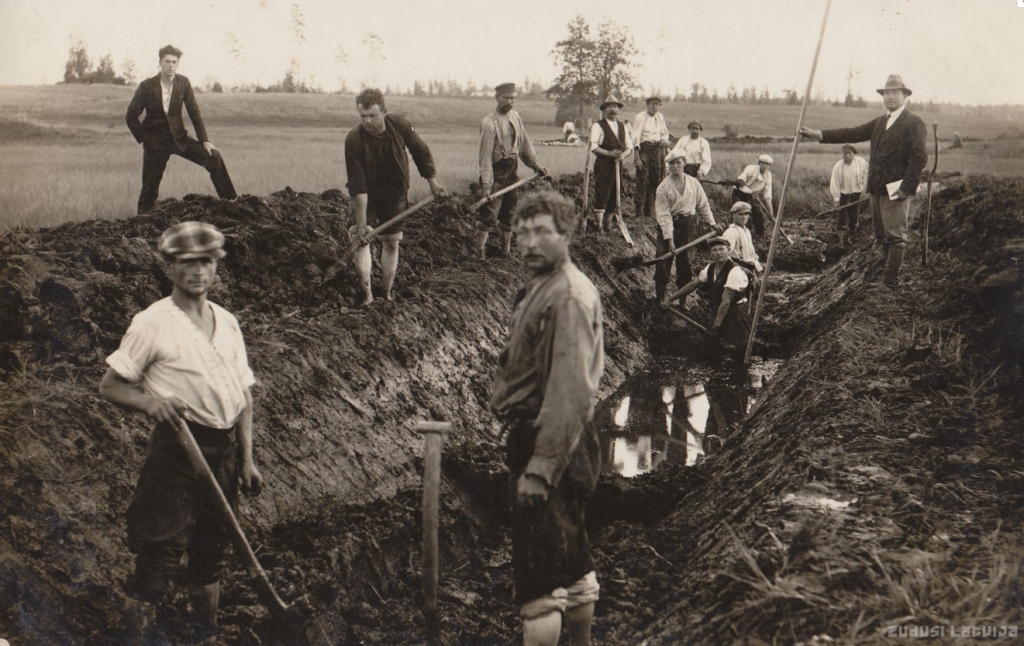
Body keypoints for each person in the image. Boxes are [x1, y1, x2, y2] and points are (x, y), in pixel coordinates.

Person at [99, 222, 262, 641]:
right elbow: (111, 385)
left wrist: (245, 458)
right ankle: (137, 635)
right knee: (161, 550)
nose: (198, 272)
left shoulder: (226, 322)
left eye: (206, 262)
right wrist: (151, 402)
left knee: (213, 549)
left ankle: (204, 633)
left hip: (223, 450)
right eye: (186, 263)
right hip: (177, 449)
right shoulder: (153, 322)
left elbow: (242, 393)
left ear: (216, 267)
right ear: (169, 267)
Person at [490, 190, 604, 646]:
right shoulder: (546, 285)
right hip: (556, 438)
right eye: (523, 232)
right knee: (572, 556)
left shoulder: (568, 297)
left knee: (538, 580)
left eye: (543, 232)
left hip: (550, 439)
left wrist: (540, 468)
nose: (530, 242)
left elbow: (569, 391)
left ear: (566, 235)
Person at [800, 74, 927, 287]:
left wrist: (907, 188)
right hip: (876, 189)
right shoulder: (880, 123)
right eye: (886, 93)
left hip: (897, 190)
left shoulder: (914, 123)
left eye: (895, 93)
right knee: (882, 236)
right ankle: (888, 279)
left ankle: (890, 282)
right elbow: (853, 132)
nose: (890, 97)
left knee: (895, 236)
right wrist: (819, 134)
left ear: (905, 96)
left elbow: (919, 158)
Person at [344, 88, 448, 304]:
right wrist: (362, 225)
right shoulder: (353, 139)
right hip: (368, 195)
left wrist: (433, 183)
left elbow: (420, 150)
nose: (367, 121)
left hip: (395, 192)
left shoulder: (399, 124)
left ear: (384, 112)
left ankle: (386, 293)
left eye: (373, 115)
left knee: (391, 242)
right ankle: (367, 295)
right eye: (362, 116)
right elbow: (358, 185)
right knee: (359, 238)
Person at [126, 45, 237, 215]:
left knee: (214, 157)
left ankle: (233, 205)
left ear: (177, 64)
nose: (170, 65)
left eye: (174, 62)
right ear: (160, 63)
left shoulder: (183, 83)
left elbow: (194, 112)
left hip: (179, 139)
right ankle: (140, 225)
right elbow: (131, 116)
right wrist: (145, 140)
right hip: (155, 143)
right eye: (167, 62)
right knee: (150, 189)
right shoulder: (146, 86)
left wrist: (204, 140)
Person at [475, 83, 547, 259]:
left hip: (512, 169)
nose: (510, 101)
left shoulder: (515, 117)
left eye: (513, 98)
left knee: (510, 211)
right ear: (497, 98)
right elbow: (484, 157)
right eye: (506, 98)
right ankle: (479, 254)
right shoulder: (488, 124)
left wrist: (534, 164)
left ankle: (505, 251)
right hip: (495, 171)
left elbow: (524, 143)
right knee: (489, 214)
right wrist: (486, 185)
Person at [666, 236, 753, 361]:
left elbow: (727, 300)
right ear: (710, 252)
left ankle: (740, 374)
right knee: (710, 347)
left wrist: (717, 323)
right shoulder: (710, 268)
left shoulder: (735, 271)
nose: (718, 253)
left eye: (721, 249)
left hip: (736, 312)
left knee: (739, 348)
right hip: (719, 309)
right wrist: (671, 299)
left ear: (728, 250)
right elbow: (692, 286)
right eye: (715, 250)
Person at [654, 149, 722, 302]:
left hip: (688, 225)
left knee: (685, 264)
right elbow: (663, 216)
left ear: (684, 163)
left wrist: (712, 223)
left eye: (678, 162)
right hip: (668, 226)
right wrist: (670, 241)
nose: (676, 166)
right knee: (663, 264)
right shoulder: (663, 188)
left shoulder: (694, 183)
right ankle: (660, 301)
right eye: (672, 163)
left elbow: (703, 205)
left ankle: (682, 303)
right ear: (668, 166)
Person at [588, 96, 634, 233]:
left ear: (618, 109)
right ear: (604, 109)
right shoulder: (598, 126)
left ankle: (608, 226)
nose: (613, 109)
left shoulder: (622, 126)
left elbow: (629, 147)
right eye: (609, 106)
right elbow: (593, 146)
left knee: (615, 193)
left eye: (615, 107)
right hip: (604, 163)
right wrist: (609, 154)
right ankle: (599, 226)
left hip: (617, 163)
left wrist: (621, 156)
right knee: (602, 191)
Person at [630, 97, 671, 218]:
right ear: (647, 105)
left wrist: (664, 140)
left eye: (658, 105)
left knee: (656, 178)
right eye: (653, 104)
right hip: (645, 149)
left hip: (658, 150)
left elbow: (664, 133)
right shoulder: (640, 117)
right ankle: (639, 210)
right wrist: (637, 158)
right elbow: (635, 138)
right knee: (643, 178)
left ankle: (650, 208)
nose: (656, 107)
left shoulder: (660, 117)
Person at [828, 144, 869, 247]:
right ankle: (841, 241)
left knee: (854, 217)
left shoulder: (861, 162)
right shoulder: (838, 166)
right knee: (842, 217)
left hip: (856, 194)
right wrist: (836, 199)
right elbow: (834, 182)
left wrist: (867, 190)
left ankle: (852, 237)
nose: (847, 156)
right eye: (845, 154)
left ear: (853, 154)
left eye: (849, 153)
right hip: (843, 195)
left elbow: (868, 175)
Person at [733, 154, 774, 237]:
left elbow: (767, 193)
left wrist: (770, 211)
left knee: (758, 213)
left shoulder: (768, 175)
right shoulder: (751, 169)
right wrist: (750, 191)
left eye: (767, 164)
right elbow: (740, 181)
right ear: (759, 163)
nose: (765, 166)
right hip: (740, 192)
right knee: (743, 213)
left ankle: (760, 235)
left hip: (753, 195)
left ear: (769, 166)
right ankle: (744, 235)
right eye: (763, 163)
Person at [721, 202, 763, 272]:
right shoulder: (731, 232)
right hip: (739, 268)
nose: (744, 217)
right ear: (733, 215)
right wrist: (738, 269)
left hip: (749, 267)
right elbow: (725, 256)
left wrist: (758, 268)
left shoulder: (746, 231)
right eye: (740, 214)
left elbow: (751, 253)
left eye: (746, 214)